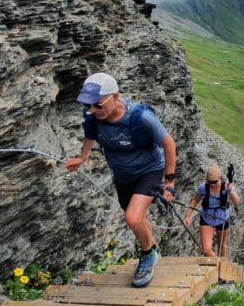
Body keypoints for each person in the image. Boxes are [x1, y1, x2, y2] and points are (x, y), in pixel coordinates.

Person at [64, 73, 176, 288]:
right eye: (88, 105)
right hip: (123, 176)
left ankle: (148, 254)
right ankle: (152, 246)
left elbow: (169, 144)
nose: (92, 110)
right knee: (136, 217)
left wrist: (169, 182)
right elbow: (90, 135)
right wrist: (83, 157)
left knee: (132, 218)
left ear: (114, 96)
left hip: (149, 170)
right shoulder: (92, 117)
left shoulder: (141, 118)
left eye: (97, 105)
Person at [182, 164, 240, 257]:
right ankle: (218, 264)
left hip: (223, 219)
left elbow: (236, 201)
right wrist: (187, 216)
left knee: (222, 246)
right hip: (206, 219)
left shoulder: (227, 186)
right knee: (206, 250)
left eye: (214, 181)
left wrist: (231, 191)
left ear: (220, 178)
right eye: (209, 182)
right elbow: (195, 200)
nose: (212, 184)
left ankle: (222, 265)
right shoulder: (203, 187)